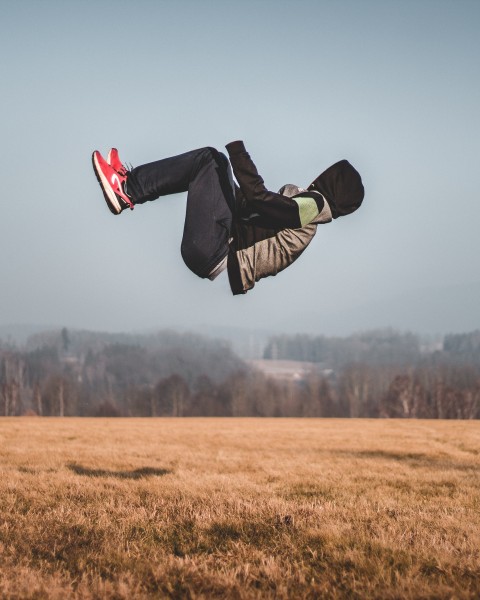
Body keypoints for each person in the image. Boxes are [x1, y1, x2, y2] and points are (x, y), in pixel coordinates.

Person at [92, 141, 364, 295]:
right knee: (214, 161)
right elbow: (250, 206)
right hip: (217, 244)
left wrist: (238, 151)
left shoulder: (312, 207)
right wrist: (228, 169)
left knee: (209, 159)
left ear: (332, 183)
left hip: (215, 249)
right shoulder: (308, 212)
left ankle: (127, 189)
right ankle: (129, 185)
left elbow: (257, 198)